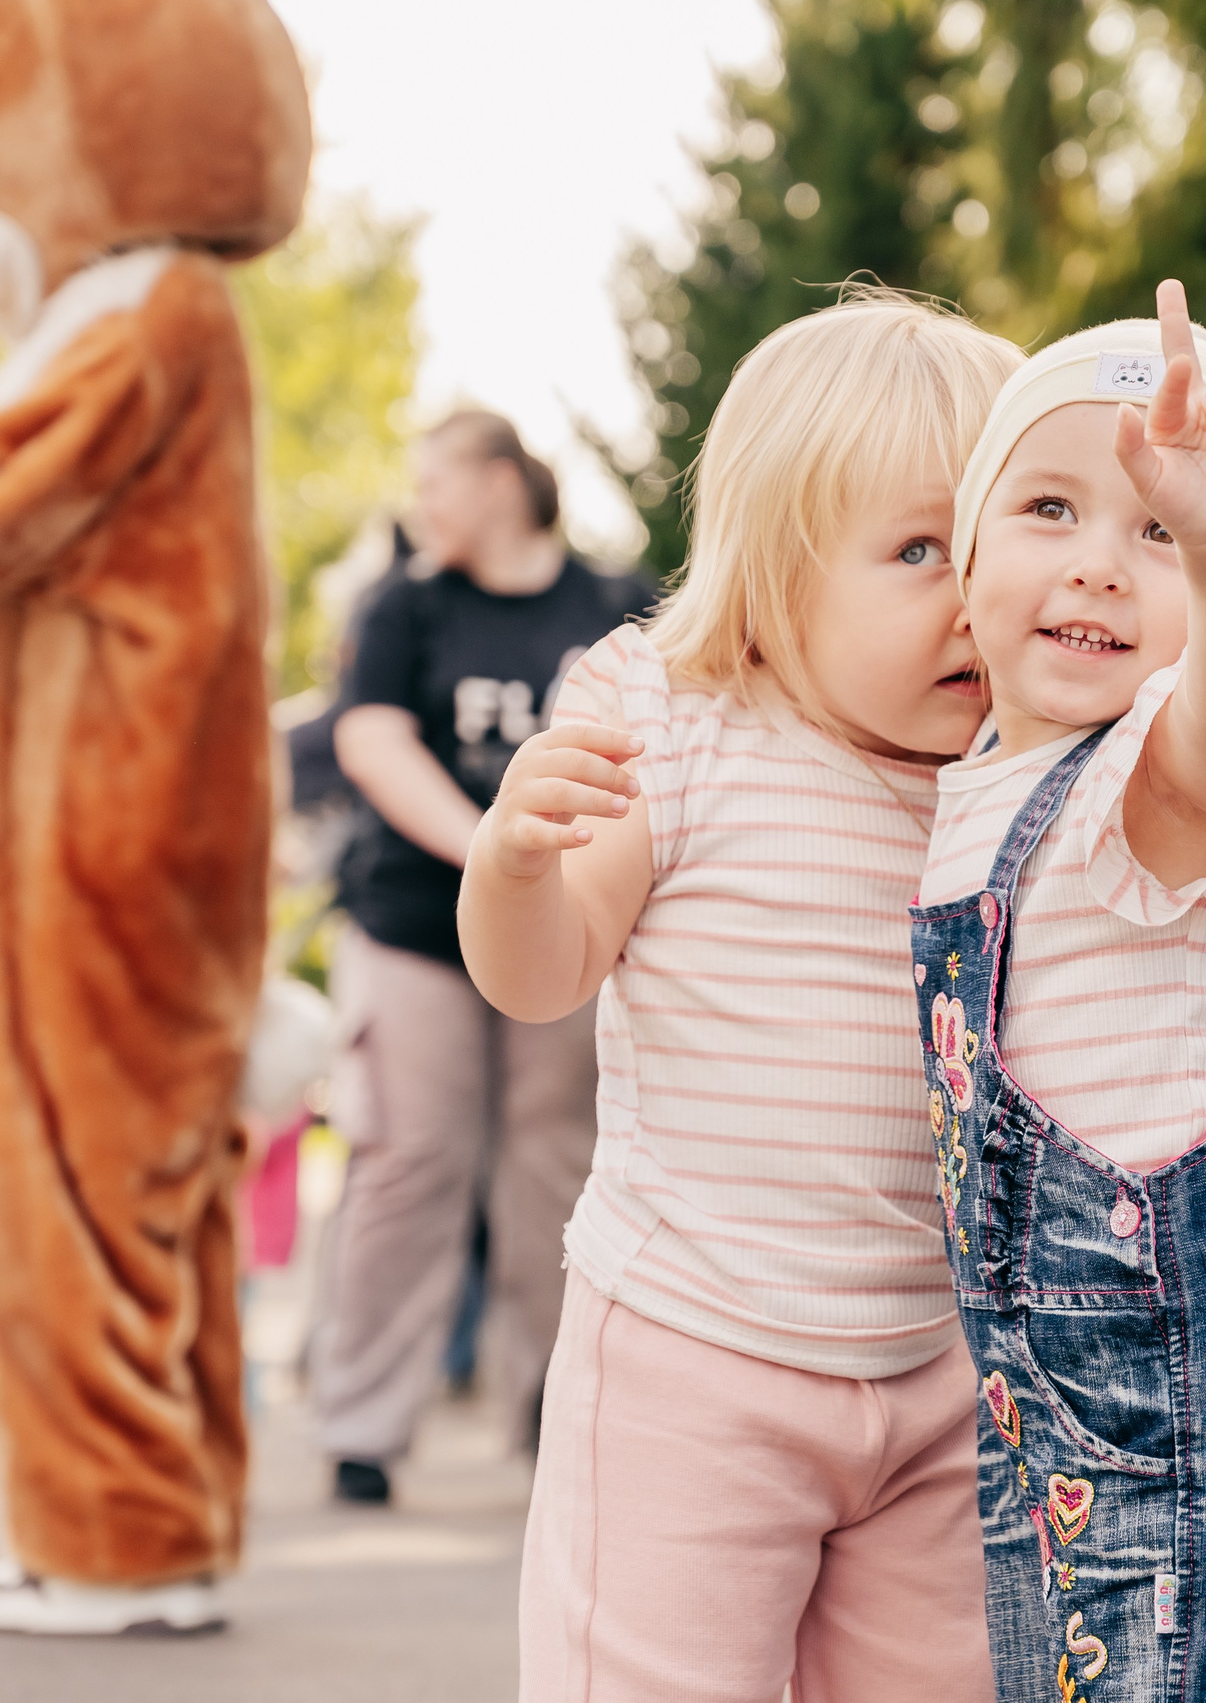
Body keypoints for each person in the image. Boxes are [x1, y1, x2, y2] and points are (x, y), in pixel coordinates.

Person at [462, 292, 1019, 1700]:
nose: (972, 594)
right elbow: (544, 971)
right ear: (778, 575)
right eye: (915, 548)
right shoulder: (672, 716)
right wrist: (514, 863)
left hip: (940, 1372)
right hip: (692, 1359)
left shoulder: (1019, 774)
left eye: (999, 542)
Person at [904, 284, 1206, 1698]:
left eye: (1152, 532)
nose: (1101, 564)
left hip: (1188, 1441)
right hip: (1048, 1436)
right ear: (967, 556)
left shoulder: (1152, 780)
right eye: (1048, 509)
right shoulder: (973, 782)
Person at [312, 411, 655, 1506]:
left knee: (552, 1163)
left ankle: (554, 1411)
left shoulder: (611, 606)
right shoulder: (403, 603)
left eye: (436, 481)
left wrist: (547, 885)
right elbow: (370, 737)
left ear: (503, 482)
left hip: (570, 923)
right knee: (412, 1156)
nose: (422, 505)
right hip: (416, 928)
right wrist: (493, 857)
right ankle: (361, 1423)